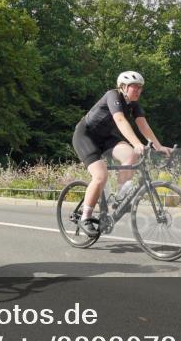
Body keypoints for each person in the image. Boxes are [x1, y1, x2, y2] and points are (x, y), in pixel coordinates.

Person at [71, 71, 172, 236]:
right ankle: (85, 217)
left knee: (131, 155)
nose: (138, 90)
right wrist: (137, 143)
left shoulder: (134, 104)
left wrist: (158, 147)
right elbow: (120, 120)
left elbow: (143, 125)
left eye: (140, 87)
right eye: (135, 87)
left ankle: (120, 199)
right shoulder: (112, 95)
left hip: (106, 138)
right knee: (100, 176)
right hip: (86, 136)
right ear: (123, 87)